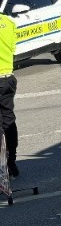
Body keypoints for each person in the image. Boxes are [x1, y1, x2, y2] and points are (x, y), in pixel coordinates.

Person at [0, 11, 16, 178]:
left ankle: (1, 167)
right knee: (8, 121)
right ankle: (11, 163)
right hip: (7, 77)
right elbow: (12, 48)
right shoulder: (8, 22)